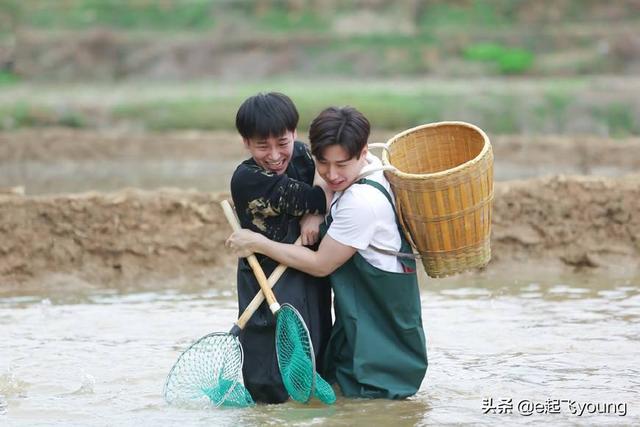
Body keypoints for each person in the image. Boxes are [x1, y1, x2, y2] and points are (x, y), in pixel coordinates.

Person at [226, 106, 428, 399]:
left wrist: (257, 243)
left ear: (361, 152)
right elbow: (324, 187)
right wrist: (315, 213)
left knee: (376, 402)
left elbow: (321, 265)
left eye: (341, 165)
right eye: (323, 163)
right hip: (362, 314)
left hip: (380, 325)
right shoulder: (363, 166)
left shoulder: (360, 201)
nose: (332, 175)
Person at [230, 92, 332, 404]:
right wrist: (314, 211)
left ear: (295, 134)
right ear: (246, 143)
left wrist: (313, 217)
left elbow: (329, 180)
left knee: (315, 343)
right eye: (262, 146)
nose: (274, 155)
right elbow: (318, 197)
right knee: (271, 369)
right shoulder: (248, 178)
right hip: (267, 277)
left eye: (282, 143)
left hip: (305, 269)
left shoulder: (301, 155)